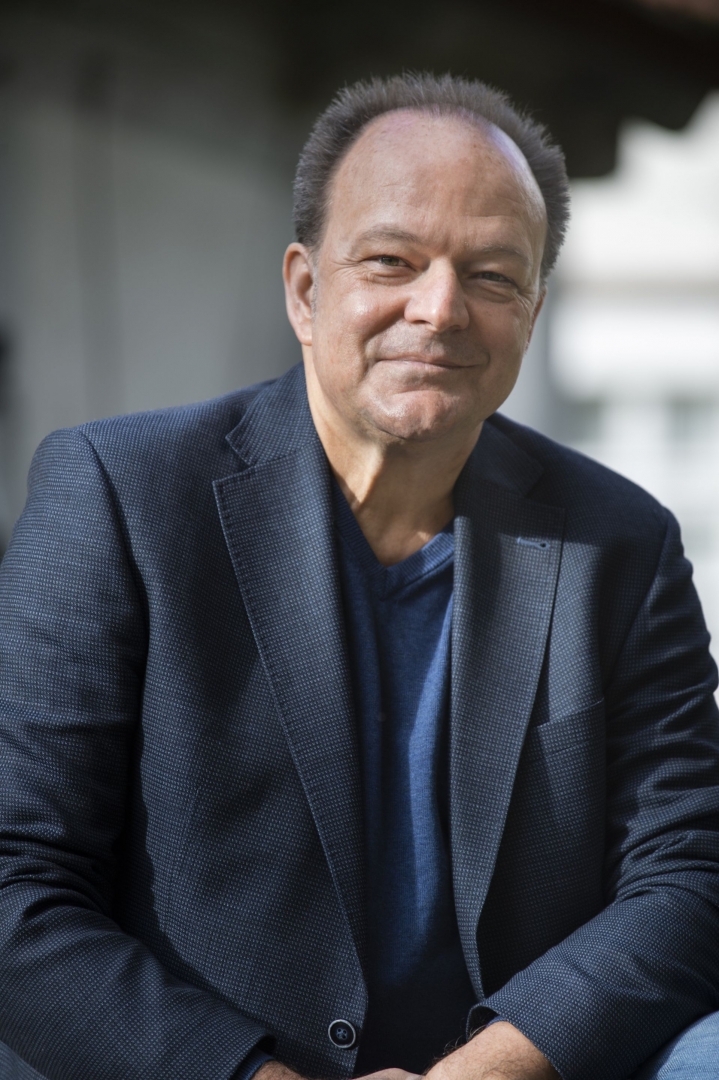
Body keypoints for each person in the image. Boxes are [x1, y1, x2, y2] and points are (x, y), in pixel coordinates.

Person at [0, 73, 718, 1080]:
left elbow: (687, 871)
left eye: (492, 276)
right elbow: (17, 881)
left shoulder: (619, 543)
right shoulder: (121, 496)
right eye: (391, 261)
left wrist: (492, 1069)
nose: (439, 308)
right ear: (304, 290)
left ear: (532, 311)